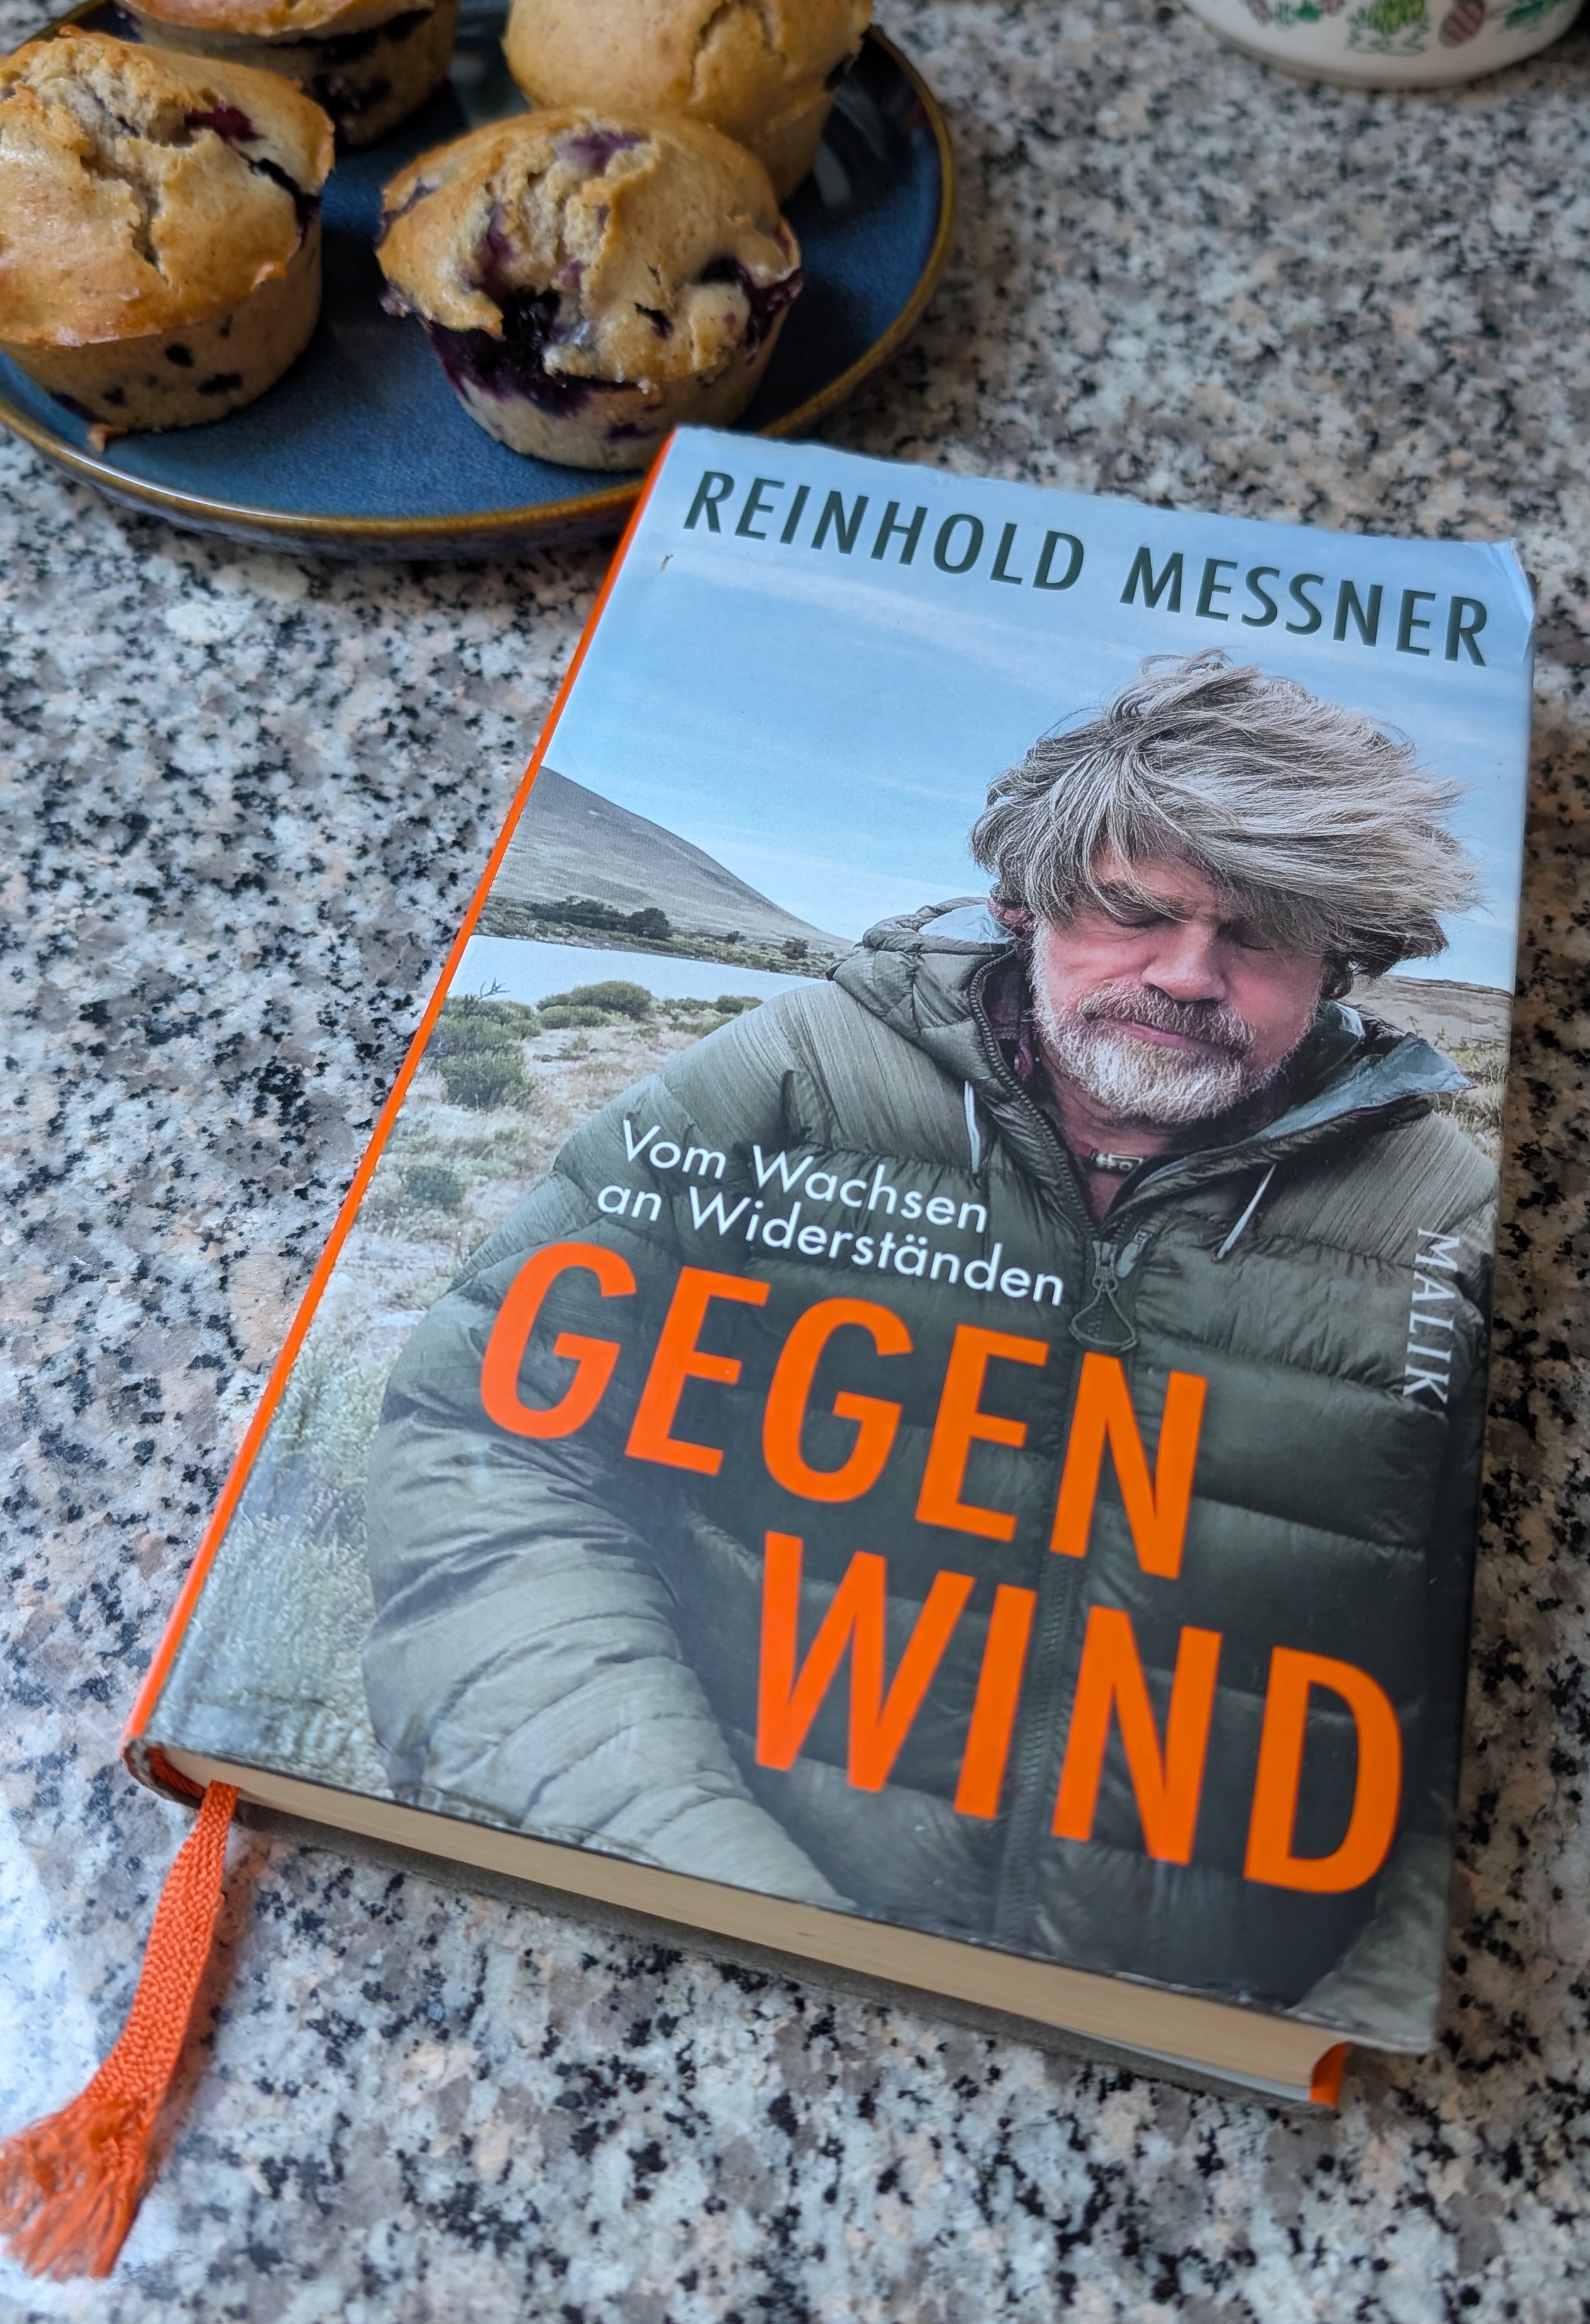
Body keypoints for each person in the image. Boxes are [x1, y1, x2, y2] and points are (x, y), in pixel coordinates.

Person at [364, 654, 1495, 2026]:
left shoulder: (1451, 1222)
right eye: (1134, 911)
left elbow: (1499, 1695)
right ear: (1027, 903)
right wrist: (712, 1888)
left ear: (1340, 962)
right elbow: (491, 1454)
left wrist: (1359, 2034)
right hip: (716, 1955)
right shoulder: (789, 1081)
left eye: (1261, 937)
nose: (1188, 977)